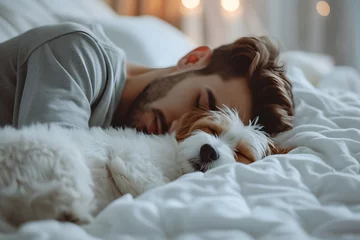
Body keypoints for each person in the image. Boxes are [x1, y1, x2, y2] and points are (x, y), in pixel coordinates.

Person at [0, 22, 294, 136]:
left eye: (205, 129)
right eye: (200, 102)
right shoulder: (79, 53)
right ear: (191, 60)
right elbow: (51, 167)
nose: (181, 127)